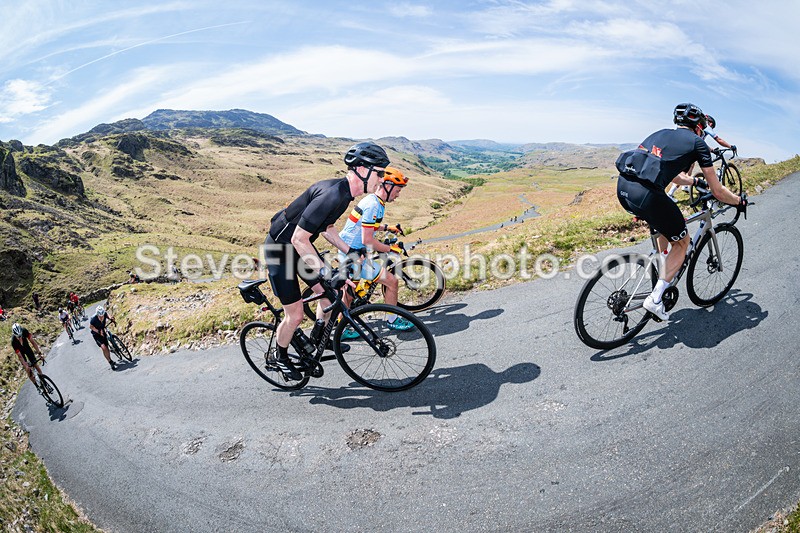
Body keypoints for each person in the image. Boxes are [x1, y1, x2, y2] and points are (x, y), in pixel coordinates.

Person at [263, 141, 390, 380]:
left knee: (330, 295)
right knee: (295, 315)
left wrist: (350, 251)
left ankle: (319, 338)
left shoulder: (345, 195)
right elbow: (299, 238)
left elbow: (327, 228)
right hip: (280, 252)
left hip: (298, 249)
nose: (382, 179)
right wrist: (327, 272)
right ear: (363, 170)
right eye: (379, 173)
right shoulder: (333, 195)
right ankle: (280, 356)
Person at [616, 103, 746, 321]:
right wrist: (738, 201)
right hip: (648, 195)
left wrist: (695, 181)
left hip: (624, 188)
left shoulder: (661, 133)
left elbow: (672, 174)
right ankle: (655, 299)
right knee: (682, 242)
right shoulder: (697, 143)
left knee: (664, 226)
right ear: (699, 127)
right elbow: (717, 190)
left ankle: (664, 266)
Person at [337, 166, 415, 337]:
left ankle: (342, 327)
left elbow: (367, 225)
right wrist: (390, 248)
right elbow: (368, 240)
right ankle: (392, 320)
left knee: (350, 292)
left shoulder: (374, 201)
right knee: (391, 282)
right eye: (397, 190)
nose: (398, 195)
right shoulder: (373, 205)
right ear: (387, 186)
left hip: (351, 251)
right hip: (352, 254)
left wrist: (387, 227)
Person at [89, 306, 118, 370]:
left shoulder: (104, 314)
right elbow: (91, 327)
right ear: (97, 315)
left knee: (107, 346)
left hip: (102, 330)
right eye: (100, 316)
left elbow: (108, 315)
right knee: (104, 348)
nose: (102, 317)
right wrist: (98, 331)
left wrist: (111, 318)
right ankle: (110, 361)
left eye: (102, 315)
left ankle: (113, 346)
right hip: (96, 334)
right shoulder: (93, 319)